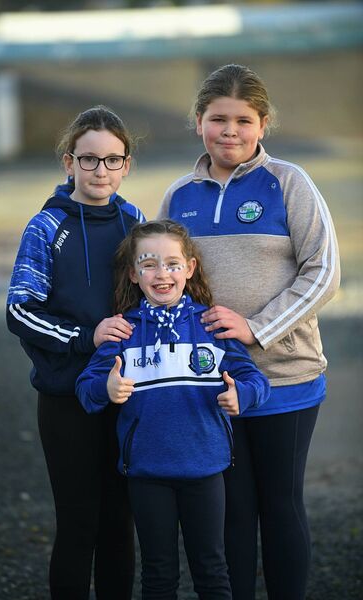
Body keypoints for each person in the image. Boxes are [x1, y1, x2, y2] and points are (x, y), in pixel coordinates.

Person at [157, 64, 341, 600]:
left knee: (279, 505)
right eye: (218, 119)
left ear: (263, 126)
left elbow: (324, 273)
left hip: (286, 378)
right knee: (230, 511)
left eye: (243, 120)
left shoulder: (289, 183)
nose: (229, 131)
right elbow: (164, 278)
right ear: (198, 122)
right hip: (211, 386)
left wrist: (257, 329)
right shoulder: (179, 196)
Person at [76, 219, 270, 600]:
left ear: (189, 268)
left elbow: (256, 381)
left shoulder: (211, 325)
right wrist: (108, 388)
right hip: (148, 474)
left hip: (205, 470)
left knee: (212, 570)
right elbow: (86, 389)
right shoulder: (123, 331)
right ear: (133, 273)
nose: (161, 273)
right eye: (148, 264)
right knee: (159, 574)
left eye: (172, 263)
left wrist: (241, 396)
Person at [6, 105, 146, 600]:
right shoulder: (45, 227)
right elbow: (19, 311)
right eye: (89, 160)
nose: (100, 171)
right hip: (67, 400)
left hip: (126, 396)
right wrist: (87, 337)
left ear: (126, 165)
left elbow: (153, 300)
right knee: (78, 524)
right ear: (69, 163)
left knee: (118, 525)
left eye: (112, 160)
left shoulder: (136, 222)